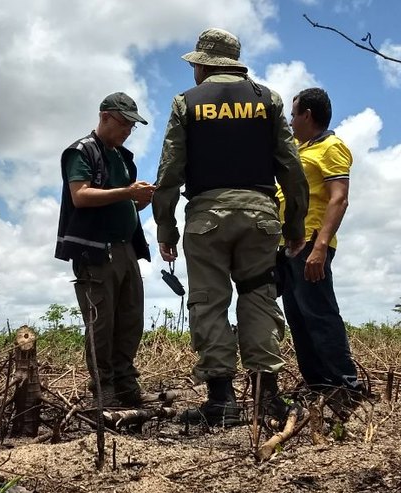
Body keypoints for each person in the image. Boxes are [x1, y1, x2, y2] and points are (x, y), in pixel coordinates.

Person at [152, 28, 309, 426]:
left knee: (209, 302)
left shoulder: (185, 103)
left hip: (205, 218)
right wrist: (294, 226)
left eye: (195, 65)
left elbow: (170, 172)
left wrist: (165, 230)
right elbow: (291, 169)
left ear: (204, 64)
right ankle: (267, 397)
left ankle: (221, 402)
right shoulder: (268, 100)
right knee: (259, 297)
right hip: (260, 215)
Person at [55, 92, 155, 407]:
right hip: (96, 251)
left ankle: (126, 383)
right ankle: (104, 390)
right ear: (105, 116)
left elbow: (120, 202)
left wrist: (138, 200)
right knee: (101, 323)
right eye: (123, 123)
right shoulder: (81, 151)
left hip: (126, 249)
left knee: (130, 318)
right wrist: (127, 192)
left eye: (131, 126)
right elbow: (81, 196)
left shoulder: (124, 158)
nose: (127, 130)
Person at [279, 87, 367, 415]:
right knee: (298, 317)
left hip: (310, 245)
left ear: (308, 116)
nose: (290, 121)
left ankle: (346, 385)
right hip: (288, 245)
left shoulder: (331, 147)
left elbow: (338, 198)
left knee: (319, 313)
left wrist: (319, 247)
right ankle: (318, 385)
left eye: (293, 114)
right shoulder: (300, 149)